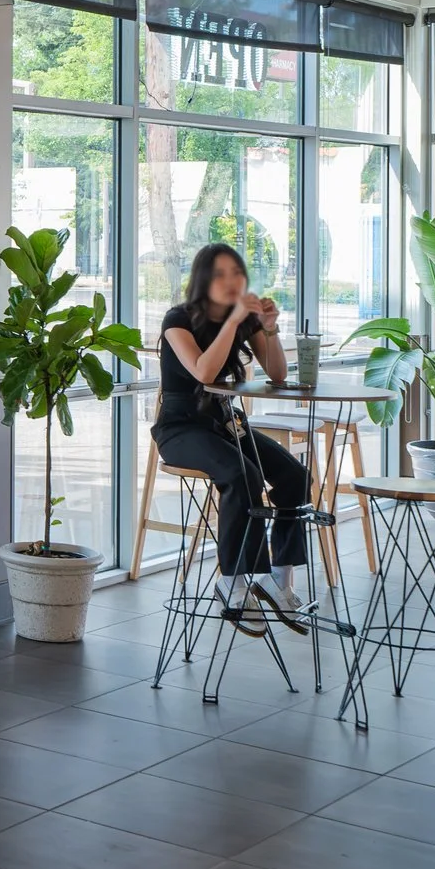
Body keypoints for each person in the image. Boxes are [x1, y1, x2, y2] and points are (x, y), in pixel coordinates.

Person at [154, 242, 310, 636]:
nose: (231, 281)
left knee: (295, 475)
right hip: (181, 429)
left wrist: (268, 327)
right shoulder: (177, 319)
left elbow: (278, 374)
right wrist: (234, 321)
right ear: (203, 279)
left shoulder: (243, 320)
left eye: (237, 273)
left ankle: (278, 579)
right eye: (221, 274)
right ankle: (233, 582)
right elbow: (203, 372)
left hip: (225, 424)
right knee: (243, 475)